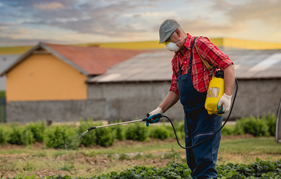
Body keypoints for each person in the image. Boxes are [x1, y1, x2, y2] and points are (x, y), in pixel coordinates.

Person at [146, 19, 235, 179]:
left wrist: (227, 96)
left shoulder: (200, 45)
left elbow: (227, 65)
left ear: (178, 33)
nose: (167, 45)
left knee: (204, 162)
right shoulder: (176, 59)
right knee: (193, 161)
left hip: (207, 113)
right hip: (190, 115)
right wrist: (160, 109)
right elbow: (175, 89)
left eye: (167, 40)